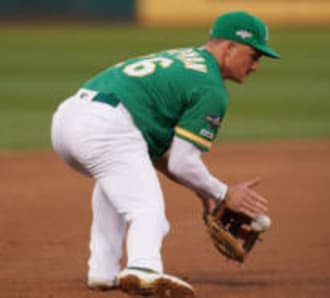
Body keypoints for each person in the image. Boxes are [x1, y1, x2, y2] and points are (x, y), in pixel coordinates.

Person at [51, 10, 279, 297]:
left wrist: (204, 189)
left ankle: (103, 271)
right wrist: (224, 193)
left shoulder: (184, 58)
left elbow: (166, 158)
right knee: (147, 208)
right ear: (230, 47)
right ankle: (144, 269)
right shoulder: (211, 87)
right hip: (106, 127)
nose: (256, 65)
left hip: (68, 119)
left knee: (116, 183)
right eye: (254, 55)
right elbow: (183, 162)